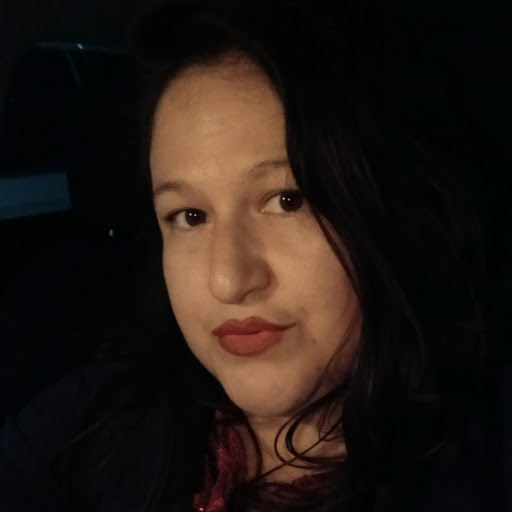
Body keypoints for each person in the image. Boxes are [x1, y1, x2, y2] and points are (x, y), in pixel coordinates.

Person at [1, 1, 510, 511]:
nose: (228, 280)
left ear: (393, 210)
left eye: (288, 200)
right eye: (190, 216)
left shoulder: (482, 460)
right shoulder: (98, 414)